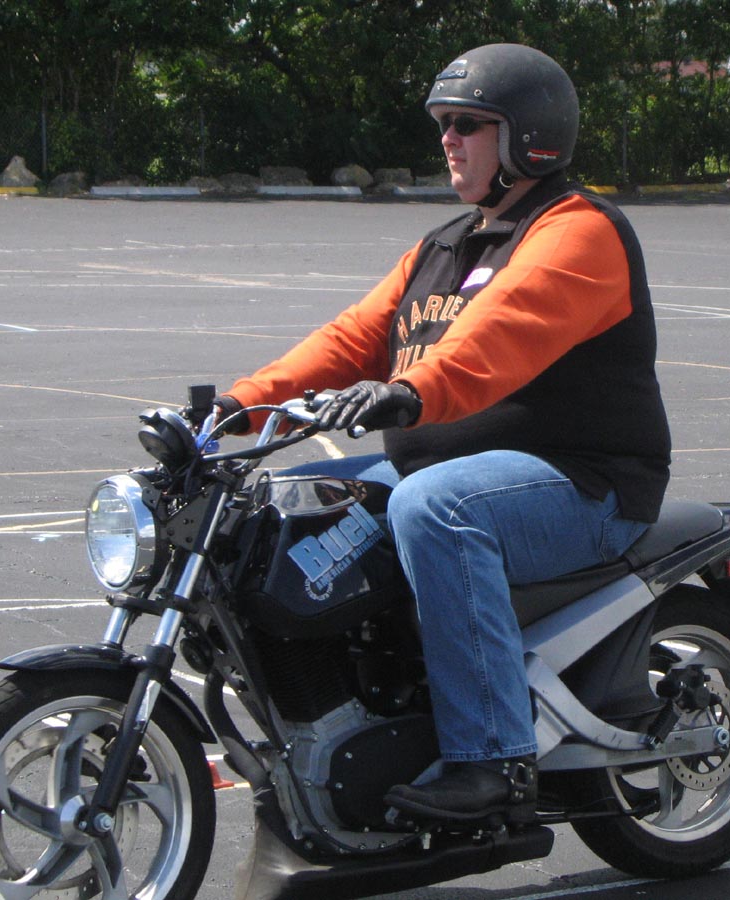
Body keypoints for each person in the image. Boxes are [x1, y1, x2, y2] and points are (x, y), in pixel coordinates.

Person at [213, 43, 671, 827]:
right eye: (443, 124)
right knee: (282, 509)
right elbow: (351, 339)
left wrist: (408, 392)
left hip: (583, 484)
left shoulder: (578, 231)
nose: (447, 139)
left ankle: (492, 760)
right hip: (453, 466)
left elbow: (501, 334)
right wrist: (236, 409)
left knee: (435, 508)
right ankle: (349, 724)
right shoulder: (444, 247)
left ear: (530, 137)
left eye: (468, 124)